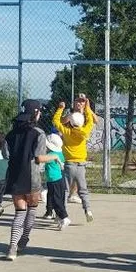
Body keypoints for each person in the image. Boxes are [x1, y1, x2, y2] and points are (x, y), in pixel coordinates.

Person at [5, 99, 62, 260]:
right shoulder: (38, 133)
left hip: (14, 175)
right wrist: (53, 157)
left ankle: (12, 248)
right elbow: (38, 157)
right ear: (35, 113)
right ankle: (23, 240)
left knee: (19, 213)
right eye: (39, 111)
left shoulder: (11, 134)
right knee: (31, 210)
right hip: (31, 176)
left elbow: (5, 154)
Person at [52, 94, 95, 222]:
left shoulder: (67, 132)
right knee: (83, 190)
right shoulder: (85, 132)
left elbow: (55, 122)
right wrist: (87, 107)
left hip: (69, 164)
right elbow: (91, 120)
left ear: (70, 122)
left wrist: (60, 109)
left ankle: (62, 214)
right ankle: (88, 210)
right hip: (81, 164)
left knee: (65, 191)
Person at [42, 132, 71, 229]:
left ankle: (64, 217)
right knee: (58, 198)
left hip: (54, 180)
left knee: (56, 200)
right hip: (57, 179)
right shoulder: (59, 153)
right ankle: (59, 216)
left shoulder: (51, 154)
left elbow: (42, 160)